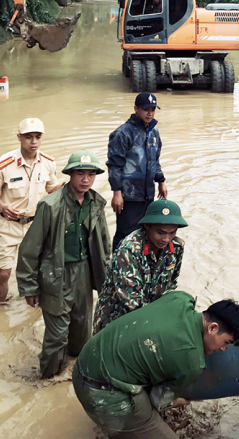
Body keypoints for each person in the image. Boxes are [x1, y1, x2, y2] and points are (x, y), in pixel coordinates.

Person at [73, 291, 239, 439]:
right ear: (212, 328)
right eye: (225, 342)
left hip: (85, 360)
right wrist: (174, 402)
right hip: (98, 393)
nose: (223, 349)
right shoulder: (192, 363)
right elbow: (156, 400)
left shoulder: (180, 299)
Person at [16, 149, 112, 379]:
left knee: (82, 330)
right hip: (55, 273)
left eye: (91, 174)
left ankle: (74, 375)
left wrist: (108, 278)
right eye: (80, 173)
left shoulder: (96, 203)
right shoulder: (50, 206)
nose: (85, 179)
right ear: (70, 174)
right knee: (57, 334)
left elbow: (104, 244)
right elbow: (30, 249)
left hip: (84, 272)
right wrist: (29, 287)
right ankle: (47, 377)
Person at [0, 117, 63, 305]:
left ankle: (35, 307)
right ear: (19, 137)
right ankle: (0, 309)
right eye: (29, 137)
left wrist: (68, 184)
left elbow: (51, 189)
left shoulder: (48, 162)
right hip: (8, 225)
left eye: (38, 137)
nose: (34, 142)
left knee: (37, 270)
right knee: (4, 273)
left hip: (35, 225)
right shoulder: (3, 164)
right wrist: (2, 206)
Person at [94, 199, 187, 332]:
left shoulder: (176, 247)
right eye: (160, 233)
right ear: (147, 226)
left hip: (150, 318)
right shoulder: (129, 249)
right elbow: (132, 300)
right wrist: (159, 322)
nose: (166, 239)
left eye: (172, 233)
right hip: (116, 319)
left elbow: (171, 284)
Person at [107, 92, 167, 251]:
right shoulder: (122, 133)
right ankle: (117, 269)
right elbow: (114, 165)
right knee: (125, 235)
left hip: (148, 195)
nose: (150, 113)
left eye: (153, 109)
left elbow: (155, 160)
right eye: (146, 109)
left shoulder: (154, 133)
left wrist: (161, 181)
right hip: (129, 197)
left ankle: (140, 269)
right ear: (136, 109)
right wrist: (117, 193)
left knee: (147, 234)